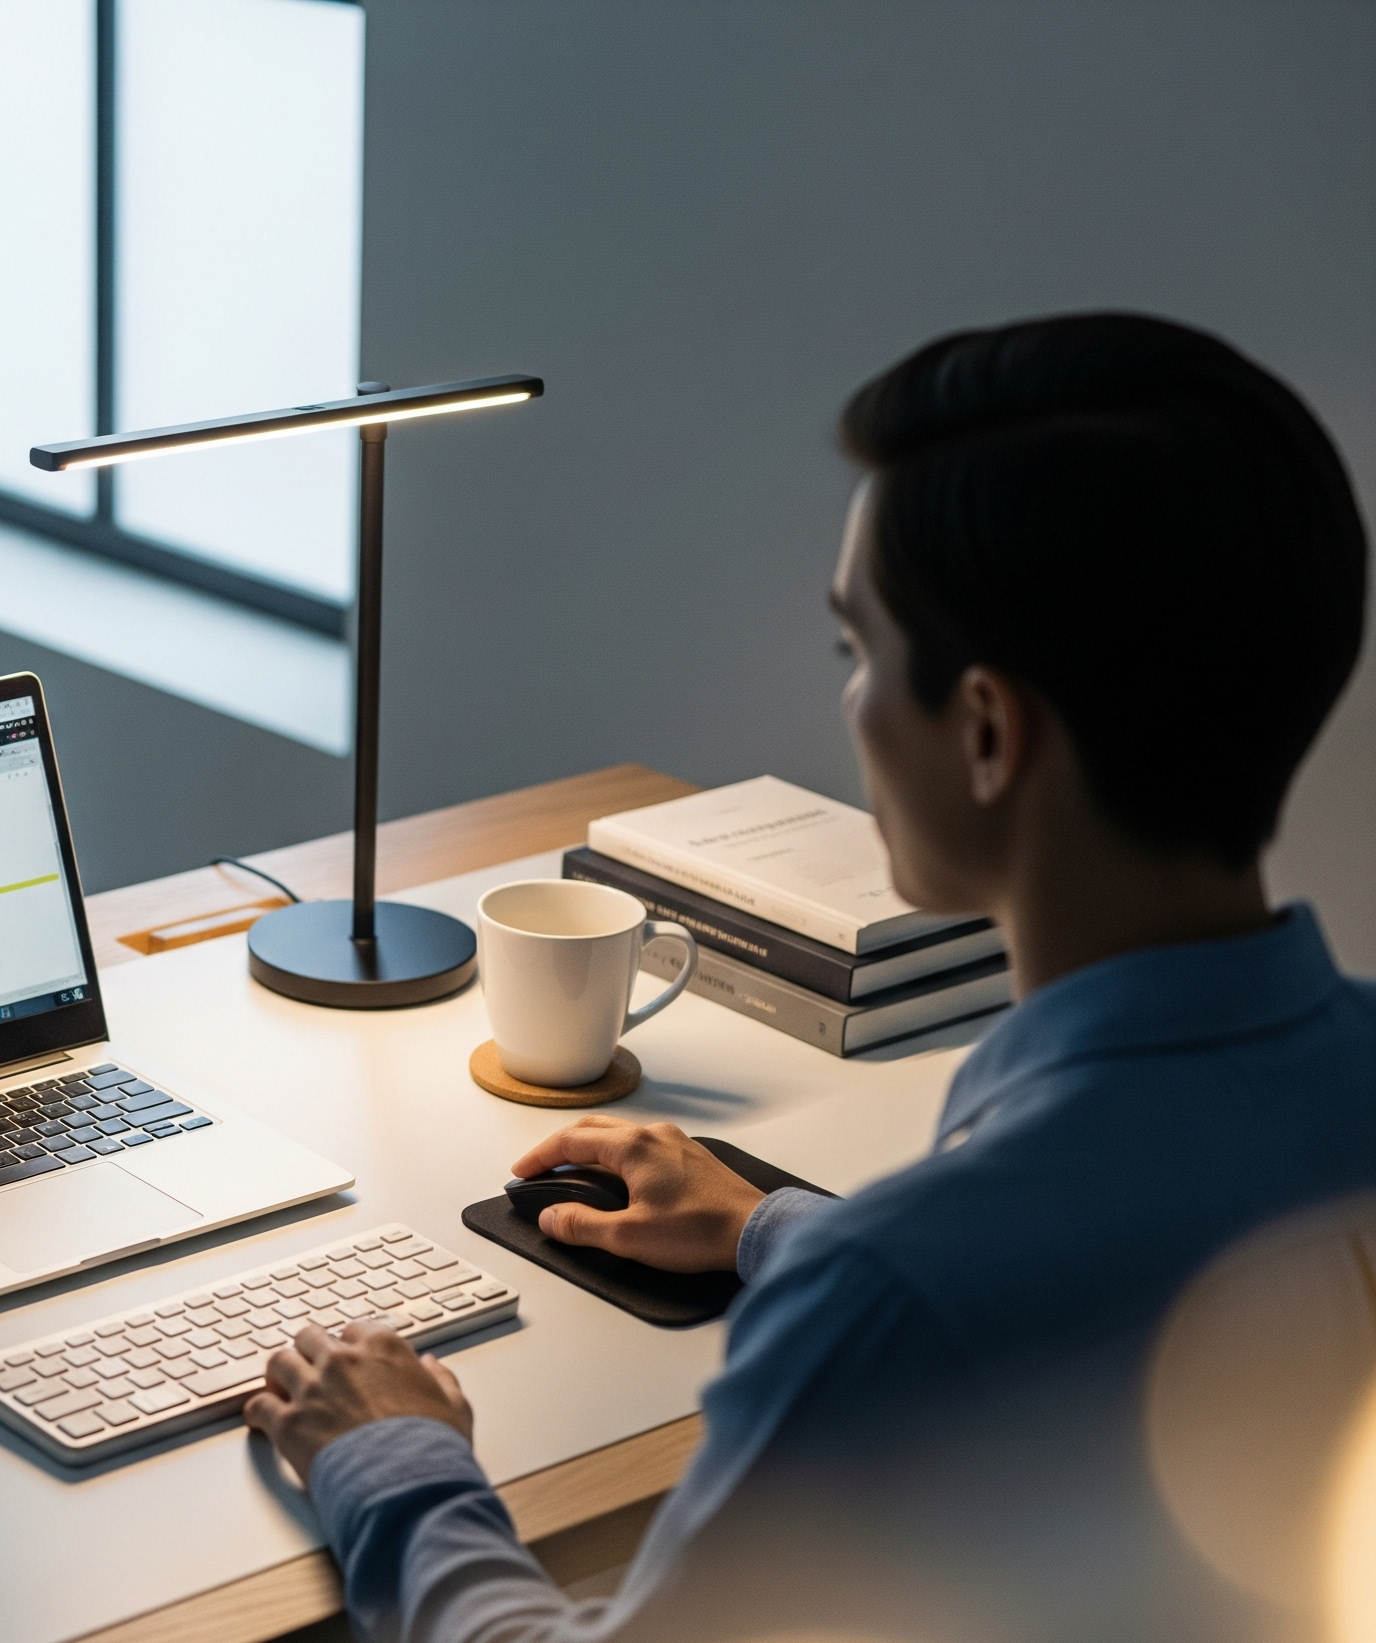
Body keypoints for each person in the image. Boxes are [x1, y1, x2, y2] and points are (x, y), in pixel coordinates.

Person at [242, 312, 1376, 1642]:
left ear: (989, 730)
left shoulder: (899, 1301)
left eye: (859, 650)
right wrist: (778, 1227)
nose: (850, 702)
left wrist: (393, 1456)